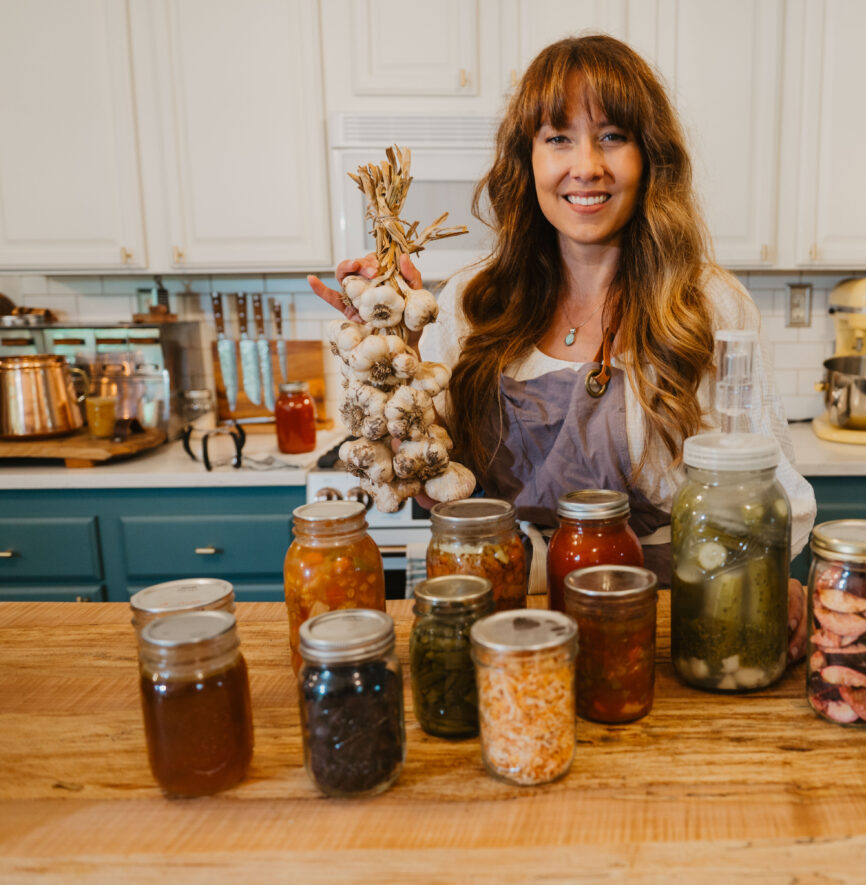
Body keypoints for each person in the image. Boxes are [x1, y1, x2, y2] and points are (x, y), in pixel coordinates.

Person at [309, 34, 816, 658]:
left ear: (648, 156)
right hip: (504, 609)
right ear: (528, 160)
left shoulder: (709, 307)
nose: (586, 165)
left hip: (671, 619)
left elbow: (772, 488)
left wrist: (766, 580)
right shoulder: (473, 301)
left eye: (611, 136)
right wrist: (394, 355)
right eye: (558, 138)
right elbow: (424, 474)